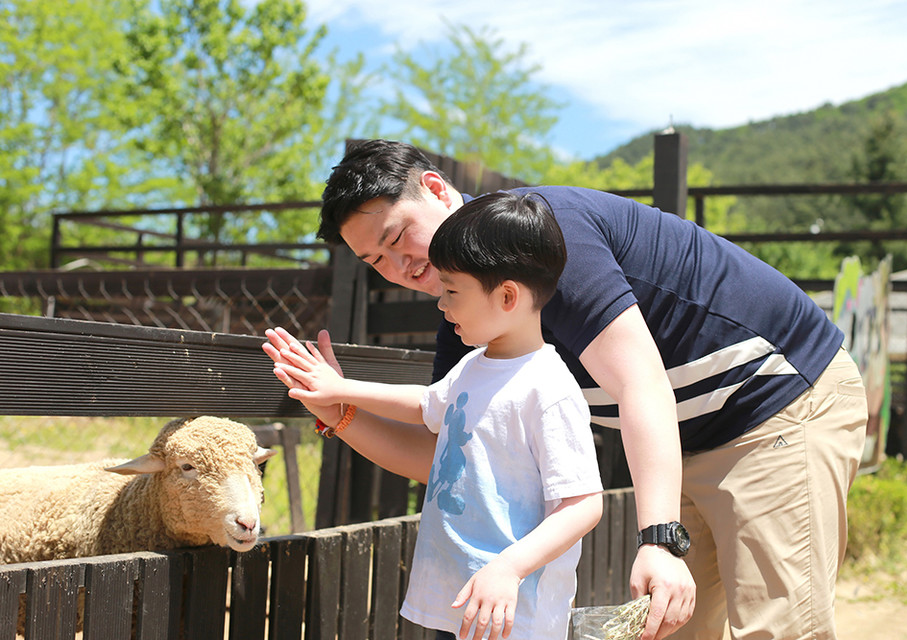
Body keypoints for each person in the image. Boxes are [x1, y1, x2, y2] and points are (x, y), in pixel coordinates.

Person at [268, 139, 868, 640]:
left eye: (397, 237)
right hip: (685, 439)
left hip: (774, 400)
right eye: (376, 261)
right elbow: (455, 456)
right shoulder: (468, 311)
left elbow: (639, 381)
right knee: (671, 628)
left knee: (777, 628)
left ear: (434, 188)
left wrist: (658, 540)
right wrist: (339, 413)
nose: (399, 267)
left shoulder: (542, 238)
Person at [268, 191, 604, 640]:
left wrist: (508, 568)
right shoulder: (473, 364)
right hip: (461, 598)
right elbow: (426, 406)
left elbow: (583, 505)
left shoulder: (549, 388)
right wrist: (340, 391)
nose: (441, 304)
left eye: (452, 291)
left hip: (513, 610)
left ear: (507, 296)